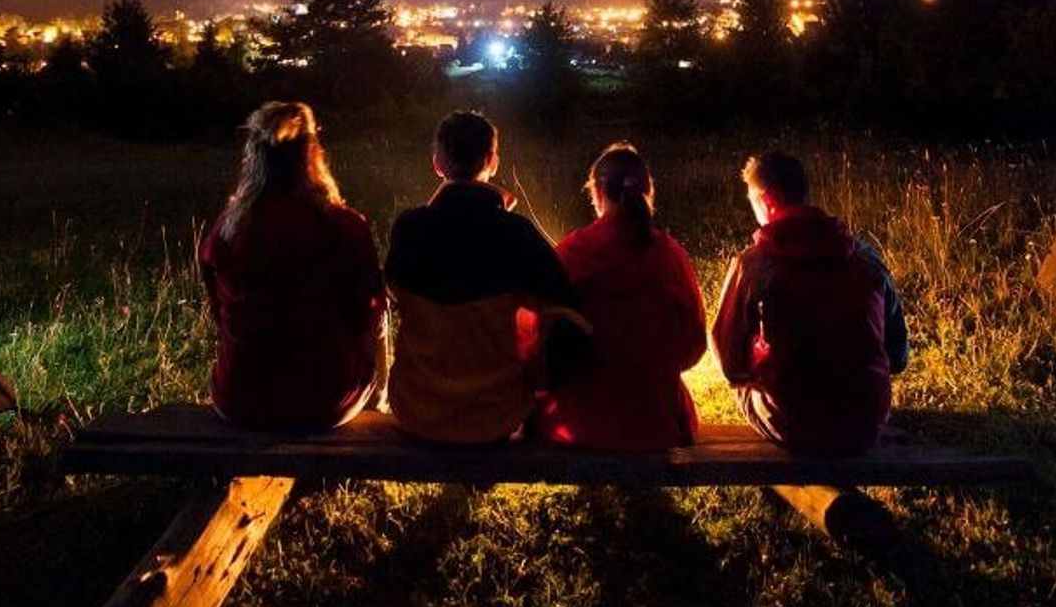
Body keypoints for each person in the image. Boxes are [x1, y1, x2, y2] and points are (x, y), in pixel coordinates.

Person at [384, 109, 585, 443]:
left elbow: (391, 293)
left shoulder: (410, 229)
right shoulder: (516, 234)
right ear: (492, 161)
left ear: (437, 163)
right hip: (496, 417)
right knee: (555, 317)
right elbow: (571, 313)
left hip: (416, 410)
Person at [198, 101, 384, 431]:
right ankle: (380, 399)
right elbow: (366, 313)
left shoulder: (228, 231)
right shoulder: (343, 226)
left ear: (252, 158)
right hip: (324, 402)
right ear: (313, 154)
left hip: (240, 401)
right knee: (375, 318)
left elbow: (219, 311)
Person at [711, 150, 909, 455]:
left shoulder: (753, 265)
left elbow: (731, 366)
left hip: (793, 425)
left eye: (752, 201)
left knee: (746, 388)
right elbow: (897, 357)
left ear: (766, 200)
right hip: (864, 424)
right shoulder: (866, 259)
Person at [530, 143, 707, 451]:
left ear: (597, 194)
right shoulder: (671, 256)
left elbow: (538, 330)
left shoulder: (574, 252)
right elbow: (693, 346)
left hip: (580, 424)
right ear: (649, 191)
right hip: (654, 423)